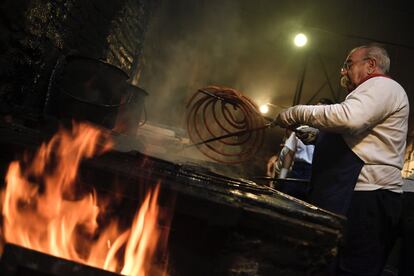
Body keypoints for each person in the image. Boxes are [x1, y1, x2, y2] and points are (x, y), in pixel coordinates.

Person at [274, 44, 409, 275]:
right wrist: (318, 136)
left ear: (371, 65)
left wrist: (296, 112)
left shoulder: (383, 86)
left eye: (348, 64)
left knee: (353, 268)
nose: (343, 71)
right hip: (355, 195)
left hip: (368, 197)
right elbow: (358, 137)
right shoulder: (369, 92)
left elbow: (350, 119)